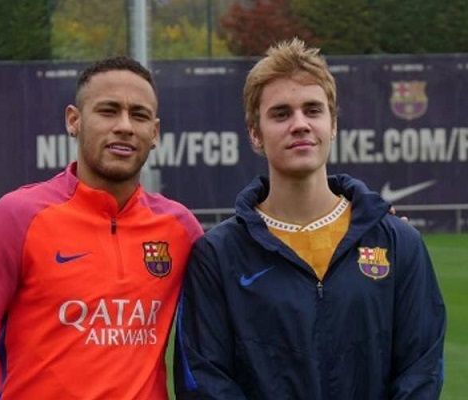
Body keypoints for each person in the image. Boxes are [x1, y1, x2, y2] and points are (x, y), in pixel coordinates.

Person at [174, 38, 446, 399]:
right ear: (255, 133)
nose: (300, 124)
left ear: (332, 124)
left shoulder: (397, 242)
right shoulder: (218, 255)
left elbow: (421, 371)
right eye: (281, 114)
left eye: (313, 110)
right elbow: (205, 382)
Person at [0, 56, 204, 399]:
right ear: (74, 120)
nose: (125, 125)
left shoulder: (181, 229)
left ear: (155, 132)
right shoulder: (18, 216)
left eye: (139, 115)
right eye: (108, 111)